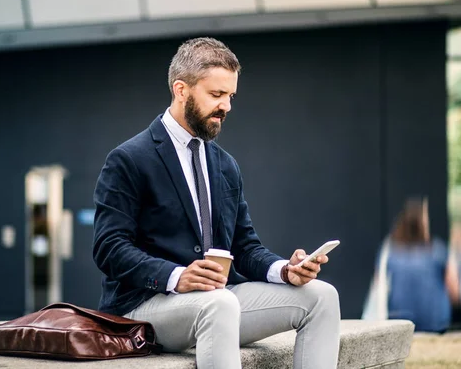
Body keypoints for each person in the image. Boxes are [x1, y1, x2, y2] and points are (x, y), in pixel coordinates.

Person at [92, 37, 341, 369]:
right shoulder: (128, 159)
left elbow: (245, 247)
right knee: (219, 304)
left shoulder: (225, 165)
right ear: (181, 90)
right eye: (216, 95)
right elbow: (109, 247)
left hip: (218, 300)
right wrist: (176, 275)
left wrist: (285, 270)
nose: (226, 106)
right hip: (144, 307)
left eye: (231, 96)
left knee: (322, 297)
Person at [385, 198, 459, 332]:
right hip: (434, 322)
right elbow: (454, 291)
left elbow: (380, 285)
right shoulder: (437, 251)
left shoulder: (390, 252)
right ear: (423, 223)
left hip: (399, 321)